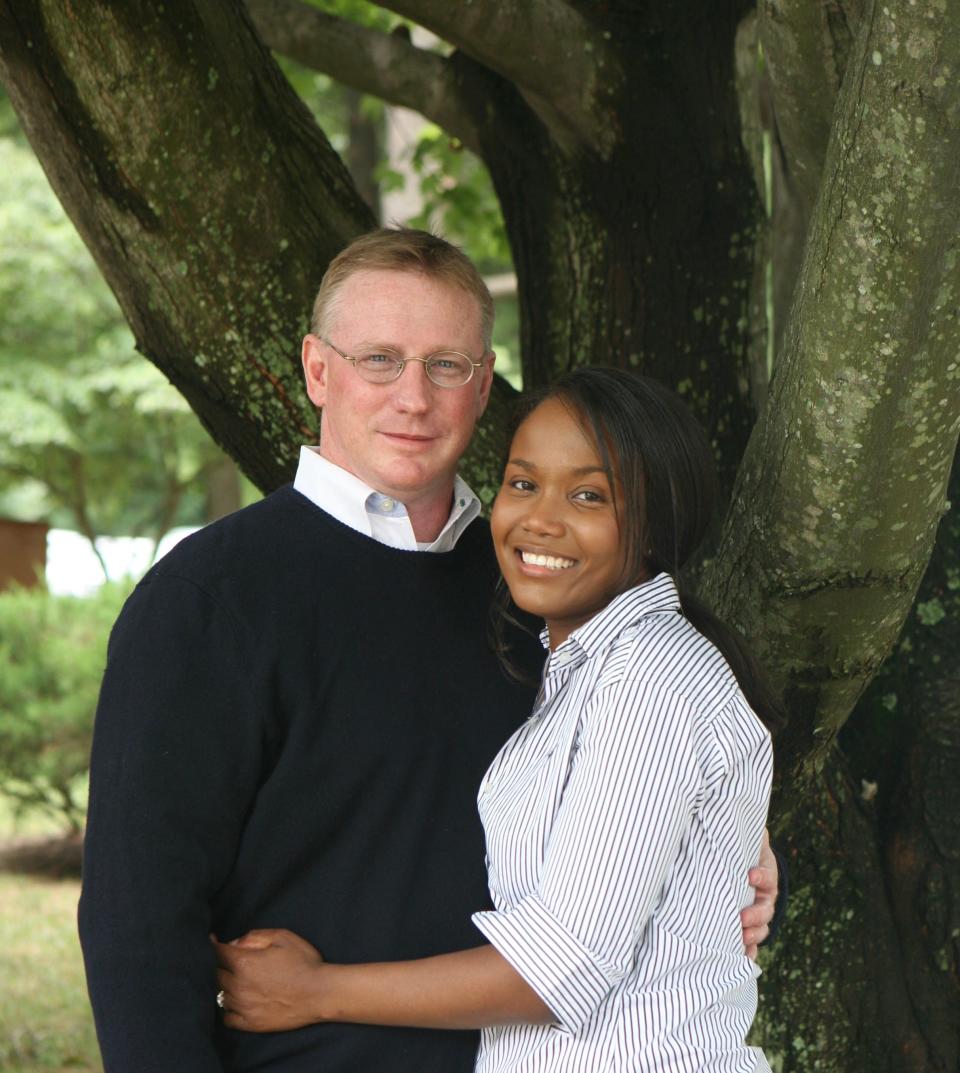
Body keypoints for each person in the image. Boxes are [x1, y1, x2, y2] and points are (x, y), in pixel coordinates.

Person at [79, 229, 781, 1073]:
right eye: (379, 358)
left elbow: (628, 786)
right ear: (317, 370)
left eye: (445, 365)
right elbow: (137, 924)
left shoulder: (535, 589)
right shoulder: (208, 601)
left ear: (483, 384)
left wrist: (729, 841)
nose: (413, 397)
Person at [213, 367, 780, 1071]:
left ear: (656, 523)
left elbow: (558, 968)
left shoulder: (649, 676)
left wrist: (315, 992)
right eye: (522, 482)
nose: (540, 518)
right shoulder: (576, 669)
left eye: (588, 494)